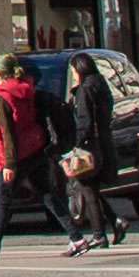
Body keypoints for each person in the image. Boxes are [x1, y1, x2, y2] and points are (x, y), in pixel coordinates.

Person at [52, 50, 129, 249]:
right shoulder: (100, 85)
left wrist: (76, 146)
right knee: (92, 188)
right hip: (103, 141)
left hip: (89, 146)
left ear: (80, 69)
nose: (73, 74)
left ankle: (99, 234)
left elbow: (84, 122)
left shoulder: (85, 90)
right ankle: (115, 221)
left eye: (73, 70)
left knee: (87, 189)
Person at [0, 50, 50, 257]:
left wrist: (9, 164)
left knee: (2, 198)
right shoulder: (25, 89)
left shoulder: (3, 96)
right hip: (33, 147)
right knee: (47, 194)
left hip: (17, 154)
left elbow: (7, 132)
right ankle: (76, 237)